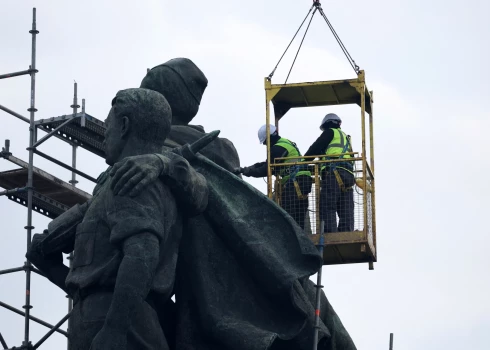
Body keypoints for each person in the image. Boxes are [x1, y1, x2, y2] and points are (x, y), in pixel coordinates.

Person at [236, 124, 312, 230]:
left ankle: (291, 238)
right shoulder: (285, 143)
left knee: (288, 214)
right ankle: (299, 237)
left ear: (269, 138)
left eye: (265, 142)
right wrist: (247, 169)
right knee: (298, 216)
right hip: (302, 180)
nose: (266, 145)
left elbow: (266, 169)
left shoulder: (278, 148)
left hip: (296, 182)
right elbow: (267, 164)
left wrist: (249, 172)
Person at [304, 113, 355, 233]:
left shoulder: (330, 132)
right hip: (348, 174)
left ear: (327, 124)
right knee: (346, 208)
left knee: (327, 204)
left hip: (334, 173)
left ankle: (329, 233)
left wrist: (302, 162)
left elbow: (315, 148)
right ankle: (346, 233)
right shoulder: (345, 137)